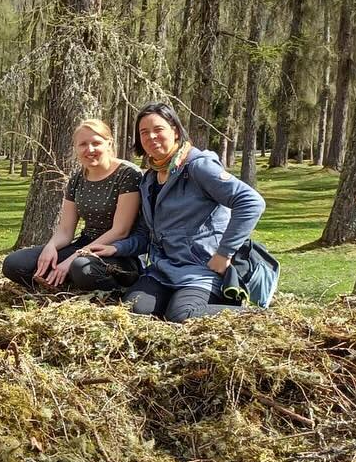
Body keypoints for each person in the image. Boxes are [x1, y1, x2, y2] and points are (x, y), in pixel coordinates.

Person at [113, 102, 266, 322]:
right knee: (132, 312)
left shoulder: (198, 167)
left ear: (175, 130)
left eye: (158, 129)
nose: (151, 137)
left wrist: (224, 253)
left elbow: (251, 202)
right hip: (162, 271)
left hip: (201, 271)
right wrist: (113, 248)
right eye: (144, 132)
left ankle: (263, 317)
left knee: (183, 316)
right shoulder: (149, 180)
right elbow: (145, 235)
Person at [2, 118, 144, 293]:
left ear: (109, 143)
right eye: (83, 144)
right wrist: (51, 247)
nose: (90, 149)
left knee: (82, 268)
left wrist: (77, 256)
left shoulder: (127, 174)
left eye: (96, 143)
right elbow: (65, 230)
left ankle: (110, 290)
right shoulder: (77, 178)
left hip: (117, 252)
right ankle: (65, 283)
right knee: (15, 264)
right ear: (75, 148)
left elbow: (120, 231)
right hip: (83, 245)